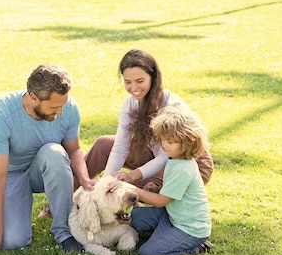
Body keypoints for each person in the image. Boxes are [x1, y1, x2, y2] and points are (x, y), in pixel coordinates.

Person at [38, 49, 213, 218]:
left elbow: (164, 156)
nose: (134, 87)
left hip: (185, 162)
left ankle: (157, 196)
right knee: (104, 143)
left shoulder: (172, 105)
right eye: (128, 82)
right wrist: (105, 185)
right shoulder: (130, 104)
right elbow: (120, 147)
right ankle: (61, 202)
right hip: (156, 156)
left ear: (153, 77)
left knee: (144, 186)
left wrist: (131, 176)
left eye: (140, 80)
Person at [0, 63, 95, 254]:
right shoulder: (2, 111)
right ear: (33, 97)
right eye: (55, 106)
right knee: (13, 242)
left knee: (54, 152)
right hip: (11, 174)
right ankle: (10, 218)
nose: (61, 111)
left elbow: (73, 150)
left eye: (63, 104)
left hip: (45, 168)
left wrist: (85, 179)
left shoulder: (69, 108)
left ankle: (64, 232)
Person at [108, 106, 212, 255]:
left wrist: (132, 188)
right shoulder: (174, 158)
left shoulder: (183, 168)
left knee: (148, 253)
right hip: (171, 215)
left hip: (189, 228)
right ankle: (164, 233)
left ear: (188, 142)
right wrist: (157, 188)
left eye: (170, 141)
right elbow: (171, 192)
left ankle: (197, 246)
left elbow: (161, 201)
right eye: (163, 139)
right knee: (133, 218)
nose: (164, 145)